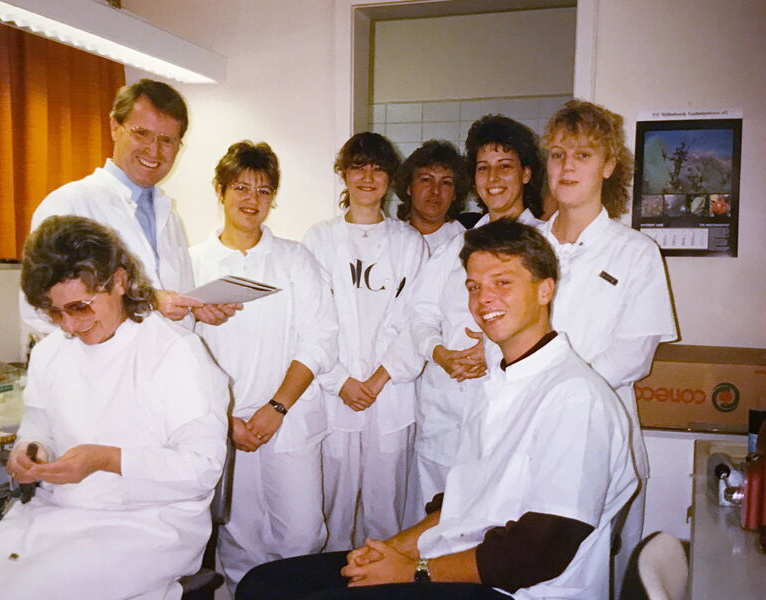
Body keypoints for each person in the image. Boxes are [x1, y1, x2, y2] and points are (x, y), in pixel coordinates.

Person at [235, 219, 637, 600]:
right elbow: (460, 503)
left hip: (517, 589)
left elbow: (540, 552)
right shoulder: (501, 382)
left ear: (545, 290)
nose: (484, 299)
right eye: (474, 287)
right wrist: (389, 550)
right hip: (457, 559)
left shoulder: (574, 398)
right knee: (265, 584)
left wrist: (413, 570)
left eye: (503, 282)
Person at [0, 216, 228, 600]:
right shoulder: (51, 352)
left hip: (147, 523)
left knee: (34, 590)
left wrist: (106, 459)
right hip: (58, 512)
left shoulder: (175, 353)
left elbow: (201, 468)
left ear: (118, 281)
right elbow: (38, 424)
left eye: (80, 307)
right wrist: (30, 451)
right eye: (54, 312)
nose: (70, 326)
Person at [538, 99, 677, 593]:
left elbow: (633, 356)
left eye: (582, 155)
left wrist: (555, 393)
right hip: (527, 431)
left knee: (592, 576)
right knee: (526, 569)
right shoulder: (524, 244)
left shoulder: (636, 252)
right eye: (557, 154)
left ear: (608, 166)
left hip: (600, 433)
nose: (567, 166)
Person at [190, 141, 338, 593]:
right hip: (226, 424)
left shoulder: (294, 259)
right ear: (220, 190)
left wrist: (277, 407)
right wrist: (224, 420)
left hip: (287, 418)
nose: (252, 200)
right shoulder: (192, 263)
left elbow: (321, 338)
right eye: (241, 187)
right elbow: (178, 352)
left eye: (263, 190)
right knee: (240, 540)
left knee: (303, 535)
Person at [403, 115, 545, 524]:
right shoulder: (455, 246)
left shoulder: (546, 244)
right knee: (428, 534)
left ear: (526, 173)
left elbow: (557, 327)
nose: (493, 179)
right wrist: (439, 353)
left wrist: (494, 352)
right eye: (483, 168)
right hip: (441, 417)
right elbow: (420, 313)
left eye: (505, 166)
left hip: (506, 421)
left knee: (488, 532)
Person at [24, 78, 238, 330]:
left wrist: (194, 310)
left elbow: (171, 307)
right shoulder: (68, 204)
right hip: (102, 356)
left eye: (166, 140)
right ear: (115, 127)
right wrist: (148, 302)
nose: (153, 151)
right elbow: (39, 312)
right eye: (141, 133)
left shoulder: (169, 218)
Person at [302, 132, 428, 551]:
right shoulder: (318, 239)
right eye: (358, 167)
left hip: (389, 392)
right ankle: (331, 580)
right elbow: (311, 319)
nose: (368, 177)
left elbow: (415, 322)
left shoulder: (410, 243)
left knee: (385, 510)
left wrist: (377, 380)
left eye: (378, 168)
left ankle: (383, 581)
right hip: (335, 390)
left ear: (390, 178)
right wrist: (339, 380)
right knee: (333, 509)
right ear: (343, 174)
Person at [394, 140, 470, 254]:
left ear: (455, 194)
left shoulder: (466, 246)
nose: (435, 190)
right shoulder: (392, 238)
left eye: (446, 182)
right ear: (409, 187)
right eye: (426, 180)